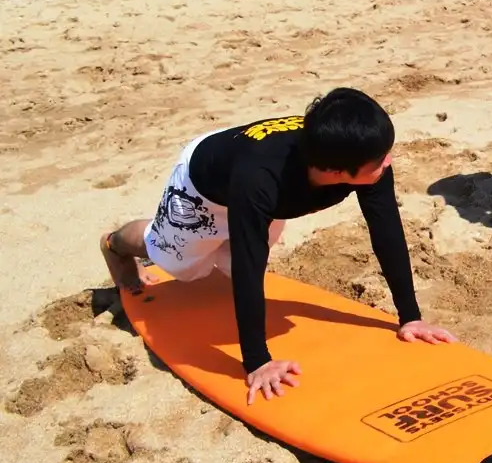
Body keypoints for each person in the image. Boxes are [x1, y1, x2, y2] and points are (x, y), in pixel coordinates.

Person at [98, 88, 457, 405]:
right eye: (380, 160)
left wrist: (410, 317)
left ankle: (207, 238)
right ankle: (116, 244)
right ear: (336, 173)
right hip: (204, 186)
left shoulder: (362, 154)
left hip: (255, 185)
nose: (388, 162)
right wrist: (257, 361)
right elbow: (249, 265)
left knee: (226, 260)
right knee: (182, 267)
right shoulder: (261, 179)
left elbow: (386, 230)